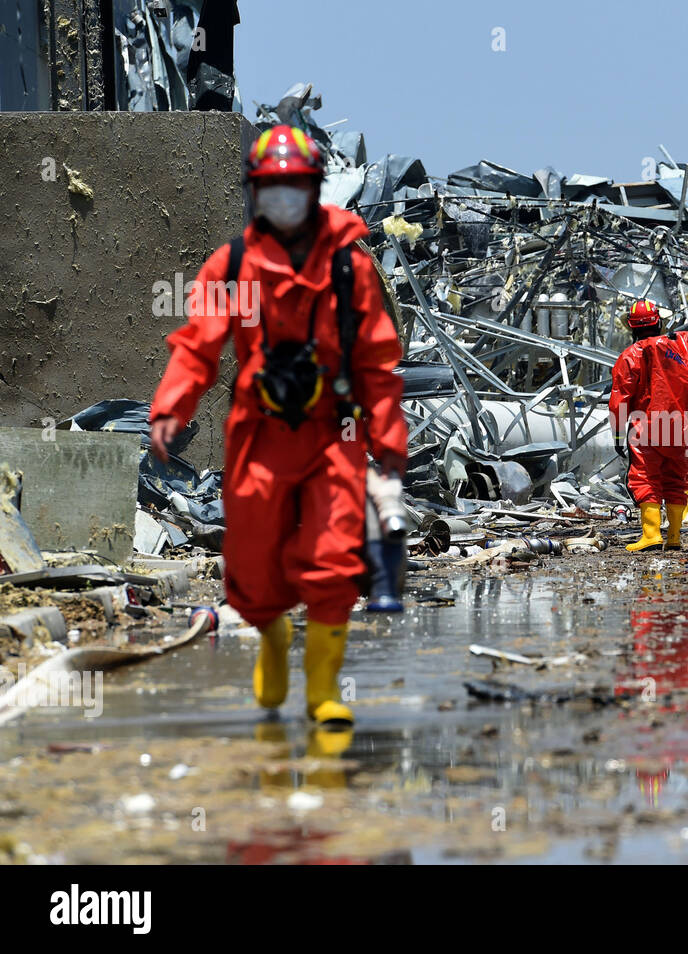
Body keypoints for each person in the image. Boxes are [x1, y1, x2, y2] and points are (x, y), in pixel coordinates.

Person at [148, 124, 407, 728]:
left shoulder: (348, 266)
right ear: (254, 195)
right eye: (273, 189)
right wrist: (170, 408)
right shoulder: (230, 266)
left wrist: (388, 439)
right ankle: (270, 640)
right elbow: (197, 348)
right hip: (259, 435)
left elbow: (376, 360)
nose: (285, 200)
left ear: (313, 190)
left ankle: (322, 692)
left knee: (332, 557)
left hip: (331, 436)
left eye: (295, 188)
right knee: (255, 563)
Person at [609, 299, 688, 551]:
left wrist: (618, 434)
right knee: (677, 479)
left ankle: (652, 535)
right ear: (658, 322)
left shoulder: (630, 355)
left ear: (632, 328)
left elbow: (620, 399)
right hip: (681, 426)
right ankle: (674, 537)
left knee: (646, 478)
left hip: (647, 427)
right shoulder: (681, 349)